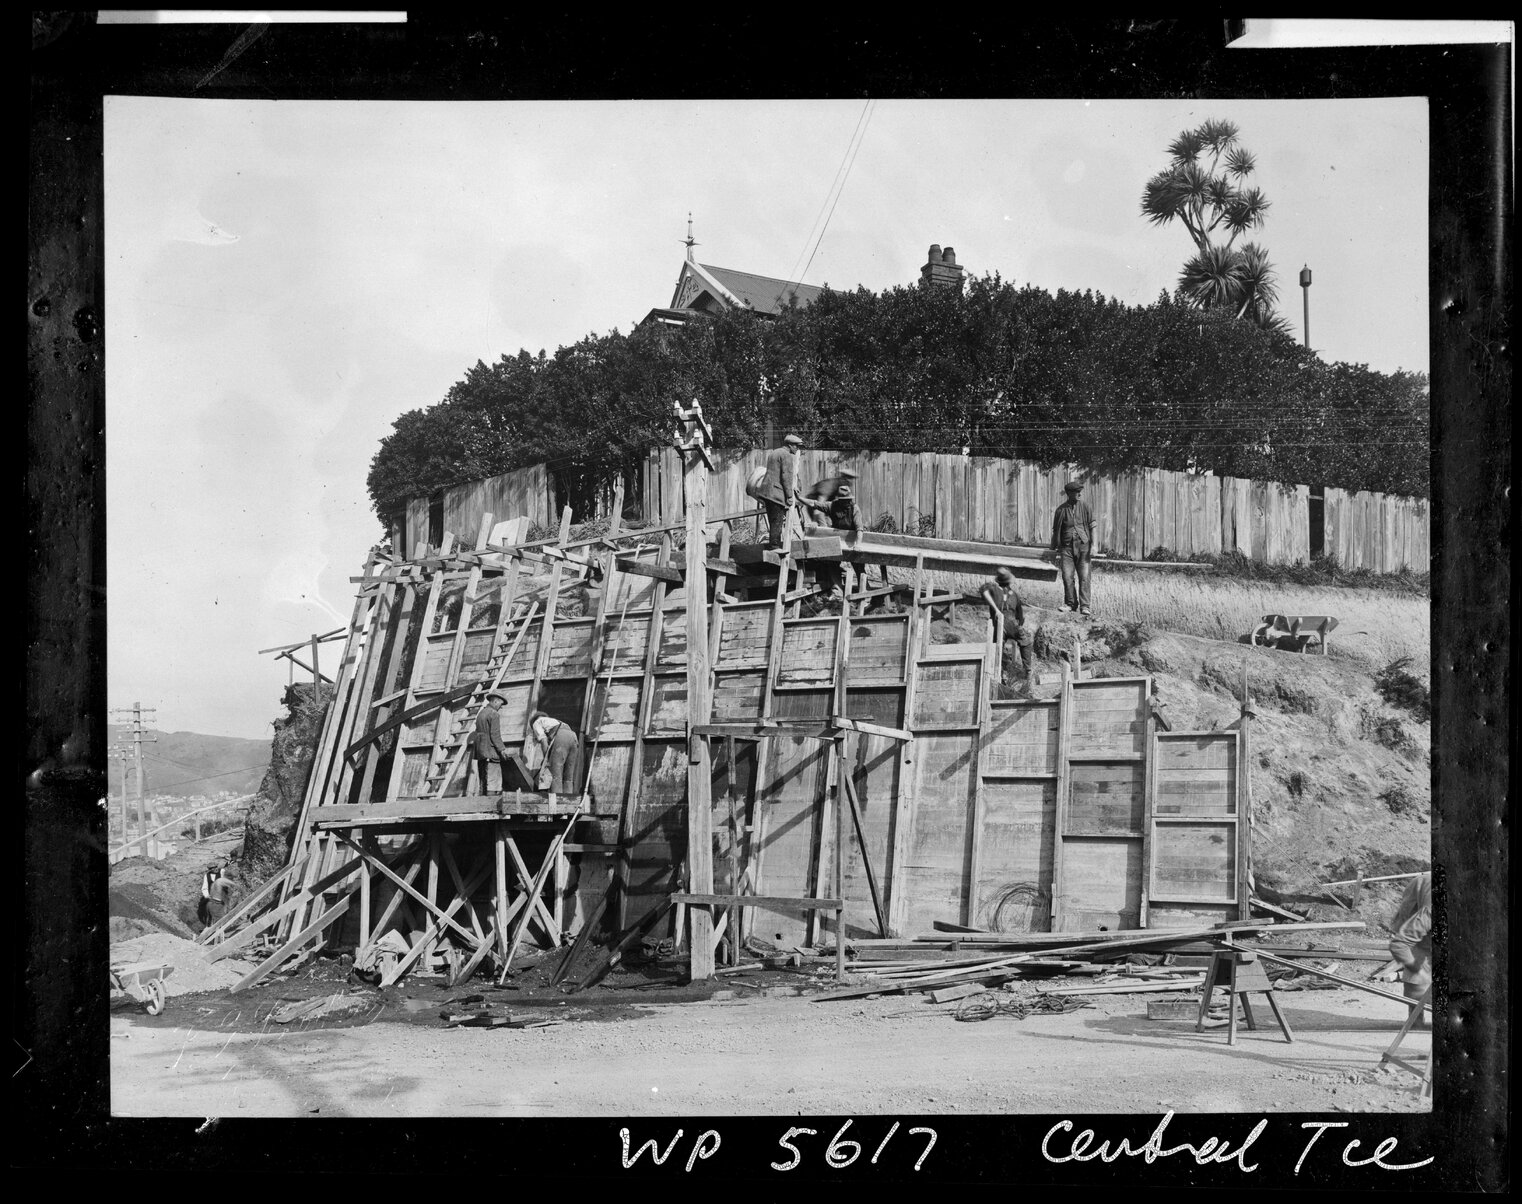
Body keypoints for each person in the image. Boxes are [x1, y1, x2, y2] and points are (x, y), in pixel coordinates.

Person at [980, 566, 1036, 696]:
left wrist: (1018, 625)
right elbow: (984, 592)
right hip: (999, 622)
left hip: (1011, 622)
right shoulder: (993, 589)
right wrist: (997, 610)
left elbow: (1020, 616)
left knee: (1025, 640)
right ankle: (1002, 674)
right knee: (999, 647)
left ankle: (1027, 672)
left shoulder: (1014, 595)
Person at [1387, 871, 1432, 1029]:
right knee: (1418, 969)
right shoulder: (1429, 914)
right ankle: (1415, 1021)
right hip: (1417, 900)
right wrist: (1412, 964)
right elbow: (1401, 942)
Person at [1050, 480, 1095, 615]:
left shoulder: (1086, 507)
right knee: (1067, 576)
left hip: (1083, 547)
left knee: (1084, 576)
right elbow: (1056, 529)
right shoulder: (1061, 510)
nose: (1080, 494)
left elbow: (1093, 526)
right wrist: (1053, 547)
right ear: (1069, 493)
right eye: (1077, 492)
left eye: (1080, 491)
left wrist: (1094, 545)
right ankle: (1070, 604)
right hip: (1066, 548)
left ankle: (1085, 606)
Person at [760, 433, 804, 549]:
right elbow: (786, 477)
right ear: (790, 445)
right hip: (776, 493)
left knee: (772, 518)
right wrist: (789, 496)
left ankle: (773, 543)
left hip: (766, 491)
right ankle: (774, 546)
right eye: (796, 446)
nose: (797, 448)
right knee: (777, 520)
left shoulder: (774, 452)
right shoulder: (787, 456)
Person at [528, 709, 582, 802]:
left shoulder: (536, 723)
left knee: (555, 773)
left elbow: (544, 741)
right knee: (568, 773)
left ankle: (557, 802)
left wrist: (547, 759)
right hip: (573, 736)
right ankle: (568, 800)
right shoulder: (554, 721)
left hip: (561, 737)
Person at [472, 691, 510, 795]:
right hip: (490, 750)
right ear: (495, 701)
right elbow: (495, 734)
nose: (500, 707)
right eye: (500, 704)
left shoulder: (481, 713)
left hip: (480, 751)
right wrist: (502, 750)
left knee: (483, 778)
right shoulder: (494, 714)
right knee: (493, 779)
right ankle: (490, 804)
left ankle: (483, 802)